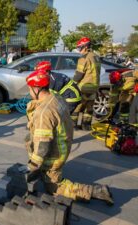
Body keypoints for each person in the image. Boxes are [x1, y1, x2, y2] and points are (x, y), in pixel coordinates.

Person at [24, 69, 114, 205]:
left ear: (36, 89)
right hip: (64, 143)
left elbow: (43, 143)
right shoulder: (56, 97)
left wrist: (33, 165)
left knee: (54, 188)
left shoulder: (43, 113)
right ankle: (44, 171)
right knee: (28, 138)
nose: (29, 92)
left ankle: (95, 191)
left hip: (55, 154)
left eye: (30, 89)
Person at [71, 37, 101, 130]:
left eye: (80, 47)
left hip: (84, 87)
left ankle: (73, 125)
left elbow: (79, 74)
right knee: (89, 107)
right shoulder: (96, 57)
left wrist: (72, 84)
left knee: (77, 106)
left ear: (85, 47)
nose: (79, 50)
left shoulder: (83, 58)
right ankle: (86, 125)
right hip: (94, 87)